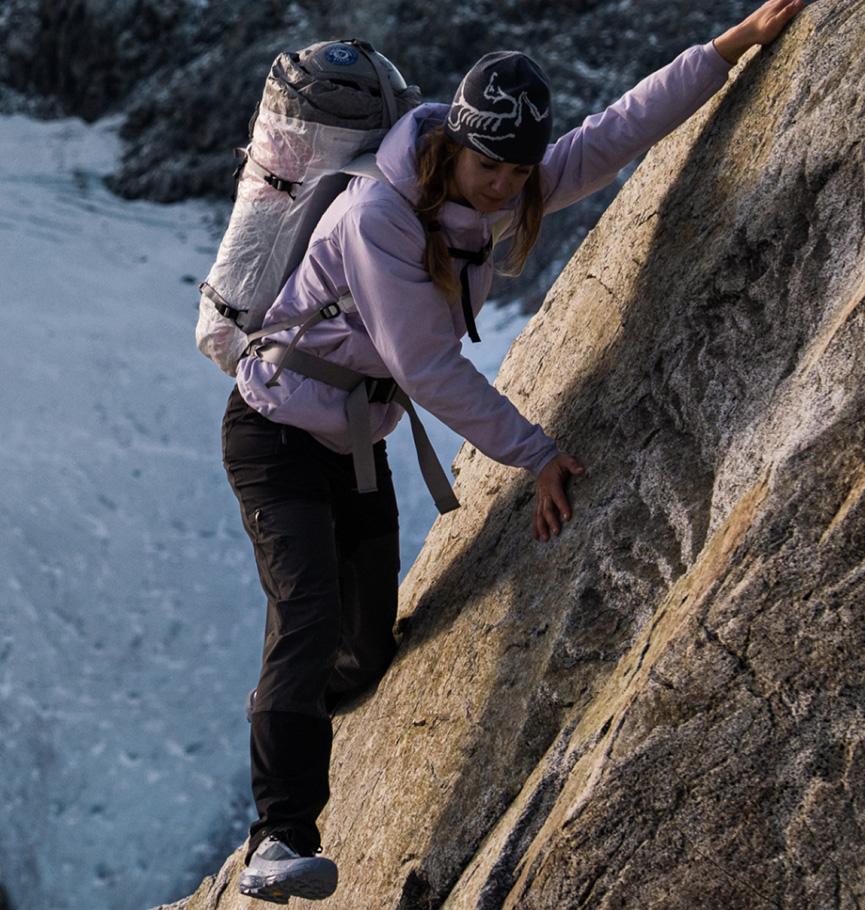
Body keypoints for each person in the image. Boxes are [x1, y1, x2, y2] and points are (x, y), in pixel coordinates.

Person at [222, 0, 807, 900]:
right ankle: (276, 835)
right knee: (304, 615)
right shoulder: (382, 214)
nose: (504, 186)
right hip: (274, 433)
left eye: (517, 169)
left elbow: (611, 135)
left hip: (350, 443)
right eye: (489, 164)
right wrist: (539, 456)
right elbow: (426, 366)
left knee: (364, 654)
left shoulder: (500, 187)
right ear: (454, 144)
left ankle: (297, 717)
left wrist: (730, 47)